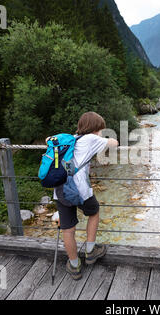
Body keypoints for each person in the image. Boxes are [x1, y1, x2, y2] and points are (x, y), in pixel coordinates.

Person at [50, 112, 118, 281]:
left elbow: (48, 140)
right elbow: (114, 143)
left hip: (61, 189)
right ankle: (90, 250)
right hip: (80, 190)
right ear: (96, 129)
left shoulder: (72, 139)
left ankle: (74, 265)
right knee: (94, 212)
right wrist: (106, 138)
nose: (102, 132)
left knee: (68, 229)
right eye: (101, 129)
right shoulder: (92, 139)